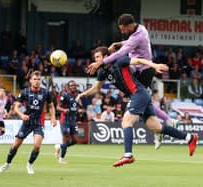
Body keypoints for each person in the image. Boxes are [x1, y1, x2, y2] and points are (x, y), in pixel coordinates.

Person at [77, 47, 198, 167]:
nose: (96, 59)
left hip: (138, 93)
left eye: (98, 57)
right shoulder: (102, 72)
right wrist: (82, 94)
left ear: (106, 57)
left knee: (126, 122)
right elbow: (96, 88)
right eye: (95, 58)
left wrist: (154, 65)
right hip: (140, 95)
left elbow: (139, 61)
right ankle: (189, 137)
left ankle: (128, 155)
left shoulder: (119, 61)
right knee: (155, 126)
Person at [87, 13, 178, 149]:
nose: (122, 31)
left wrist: (101, 63)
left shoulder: (138, 35)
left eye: (123, 29)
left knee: (136, 94)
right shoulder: (140, 29)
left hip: (143, 70)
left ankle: (165, 124)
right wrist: (118, 43)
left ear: (130, 25)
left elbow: (121, 53)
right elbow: (128, 44)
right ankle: (166, 122)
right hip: (139, 68)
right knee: (143, 100)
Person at [0, 70, 57, 174]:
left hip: (39, 122)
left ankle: (29, 164)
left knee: (37, 145)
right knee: (16, 144)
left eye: (39, 79)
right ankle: (7, 164)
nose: (37, 81)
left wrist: (53, 118)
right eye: (35, 79)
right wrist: (21, 115)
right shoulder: (25, 92)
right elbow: (16, 107)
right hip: (27, 122)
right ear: (30, 80)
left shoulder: (45, 92)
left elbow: (51, 106)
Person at [54, 80, 81, 164]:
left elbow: (75, 107)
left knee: (75, 140)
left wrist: (78, 110)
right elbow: (57, 107)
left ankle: (59, 146)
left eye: (74, 85)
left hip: (73, 120)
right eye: (71, 85)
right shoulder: (65, 96)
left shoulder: (77, 96)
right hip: (64, 120)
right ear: (68, 87)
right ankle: (61, 158)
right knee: (65, 136)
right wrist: (64, 109)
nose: (73, 86)